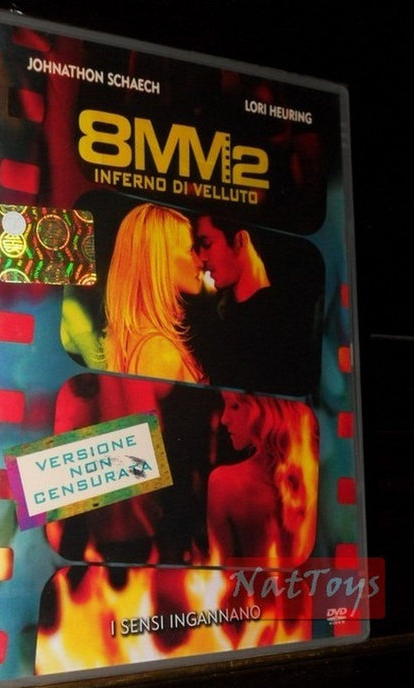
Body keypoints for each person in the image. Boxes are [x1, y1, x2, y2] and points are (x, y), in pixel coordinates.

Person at [193, 214, 323, 397]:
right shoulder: (222, 318)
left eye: (206, 244)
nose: (201, 256)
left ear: (240, 241)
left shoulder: (287, 321)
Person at [207, 390, 319, 567]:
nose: (224, 419)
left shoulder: (223, 482)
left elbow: (219, 571)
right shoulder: (316, 472)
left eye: (235, 406)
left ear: (264, 410)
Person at [102, 203, 206, 385]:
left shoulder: (141, 340)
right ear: (160, 259)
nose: (199, 262)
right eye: (190, 250)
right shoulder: (159, 353)